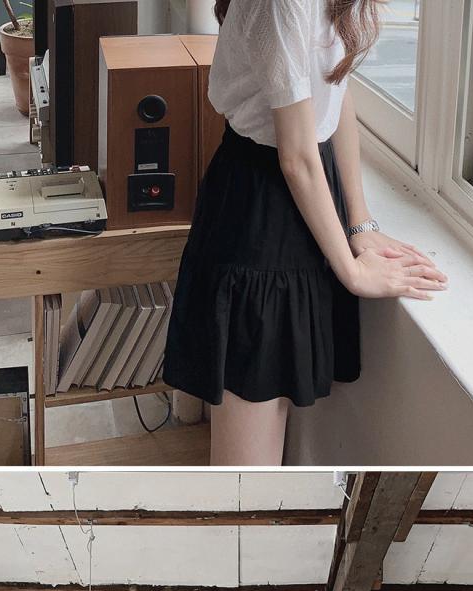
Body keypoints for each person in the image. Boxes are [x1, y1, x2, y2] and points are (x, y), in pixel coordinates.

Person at [164, 0, 446, 466]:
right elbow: (295, 156)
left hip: (309, 197)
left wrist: (359, 222)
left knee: (268, 418)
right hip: (260, 209)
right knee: (247, 467)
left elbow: (336, 93)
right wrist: (353, 272)